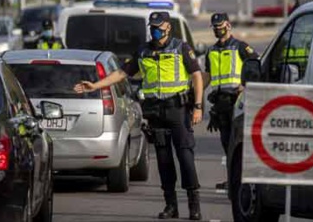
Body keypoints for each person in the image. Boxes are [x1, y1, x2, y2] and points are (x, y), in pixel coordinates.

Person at [73, 11, 204, 220]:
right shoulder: (143, 50)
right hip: (156, 112)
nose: (155, 30)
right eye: (152, 27)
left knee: (186, 157)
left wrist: (197, 106)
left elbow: (197, 76)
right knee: (163, 160)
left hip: (177, 110)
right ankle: (171, 205)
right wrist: (95, 85)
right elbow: (122, 73)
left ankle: (194, 204)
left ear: (168, 27)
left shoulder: (181, 48)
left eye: (158, 26)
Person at [204, 12, 258, 191]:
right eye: (215, 28)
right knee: (227, 144)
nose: (217, 30)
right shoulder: (211, 51)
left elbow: (256, 67)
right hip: (220, 105)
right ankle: (232, 179)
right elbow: (207, 76)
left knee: (240, 145)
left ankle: (244, 180)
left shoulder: (241, 47)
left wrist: (245, 85)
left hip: (237, 102)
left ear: (228, 25)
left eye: (220, 26)